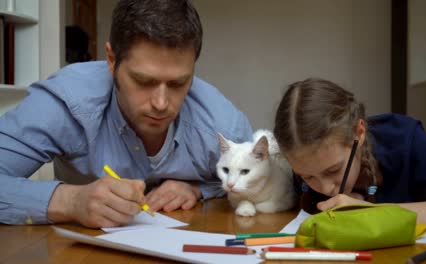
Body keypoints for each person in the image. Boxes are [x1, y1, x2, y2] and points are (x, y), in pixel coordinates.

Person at [0, 0, 252, 227]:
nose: (161, 103)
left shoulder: (222, 123)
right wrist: (71, 201)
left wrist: (198, 188)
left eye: (178, 84)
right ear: (111, 60)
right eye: (143, 81)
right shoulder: (66, 101)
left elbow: (269, 181)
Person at [273, 78, 426, 228]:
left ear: (359, 133)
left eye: (333, 171)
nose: (325, 188)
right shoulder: (307, 161)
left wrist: (373, 212)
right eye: (307, 176)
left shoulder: (405, 139)